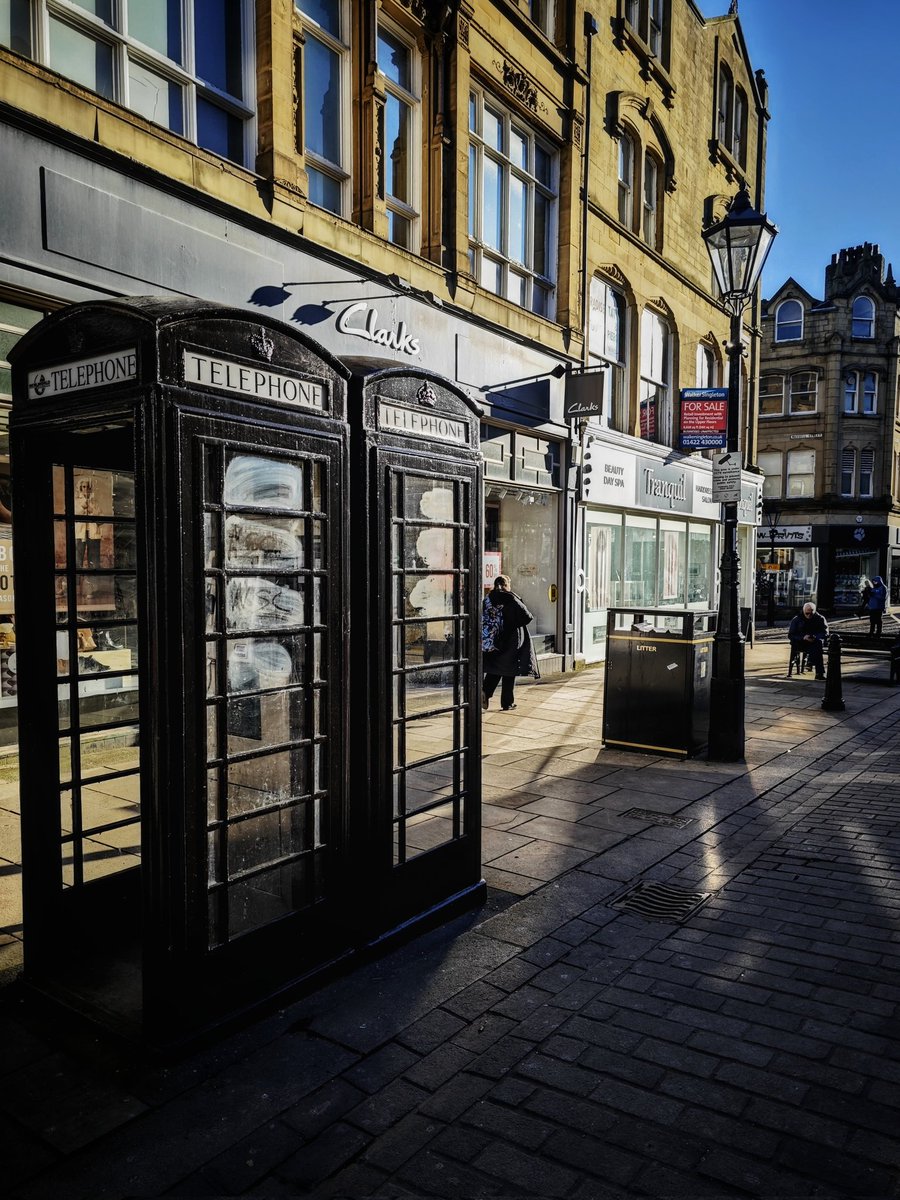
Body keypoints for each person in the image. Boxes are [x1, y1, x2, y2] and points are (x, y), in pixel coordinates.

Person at [482, 575, 533, 712]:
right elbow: (527, 616)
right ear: (506, 585)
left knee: (496, 668)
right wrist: (514, 622)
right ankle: (507, 702)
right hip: (510, 639)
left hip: (493, 640)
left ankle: (485, 691)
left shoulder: (487, 599)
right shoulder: (510, 598)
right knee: (510, 670)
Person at [788, 602, 828, 679]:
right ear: (803, 611)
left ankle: (817, 671)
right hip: (800, 643)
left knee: (818, 644)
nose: (809, 615)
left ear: (814, 611)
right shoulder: (797, 619)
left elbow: (825, 632)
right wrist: (803, 637)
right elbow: (791, 635)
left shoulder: (820, 618)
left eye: (811, 613)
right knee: (817, 648)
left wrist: (815, 637)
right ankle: (813, 665)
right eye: (807, 613)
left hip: (814, 642)